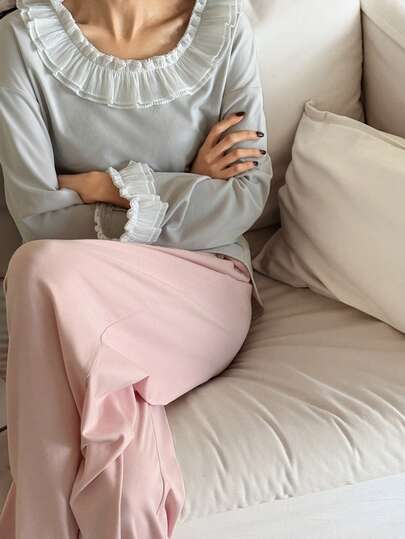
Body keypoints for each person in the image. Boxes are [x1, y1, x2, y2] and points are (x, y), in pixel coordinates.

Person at [0, 0, 273, 537]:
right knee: (125, 482)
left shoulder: (224, 28)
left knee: (37, 271)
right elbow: (39, 217)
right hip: (74, 290)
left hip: (202, 283)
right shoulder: (23, 40)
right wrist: (190, 179)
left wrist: (104, 185)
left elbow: (242, 199)